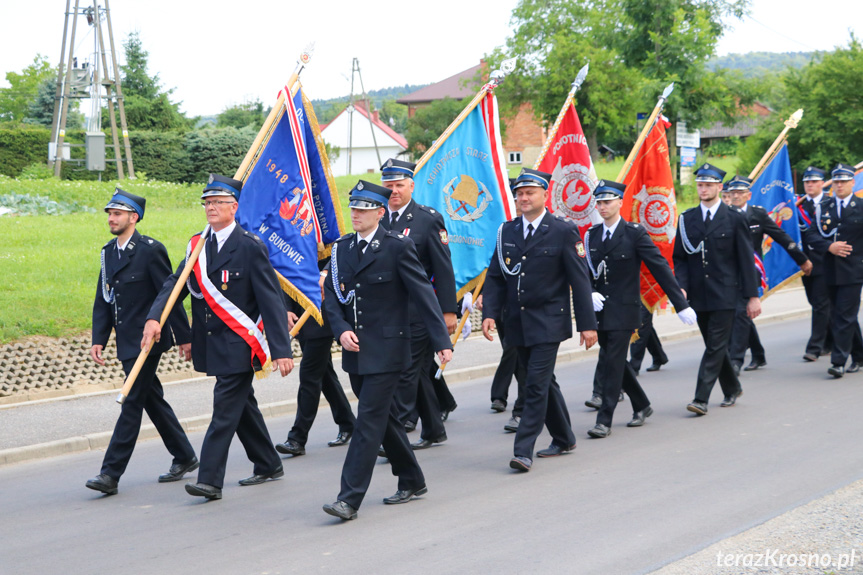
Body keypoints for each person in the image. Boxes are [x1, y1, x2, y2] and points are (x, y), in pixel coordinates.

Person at [142, 174, 294, 501]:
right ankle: (268, 463)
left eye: (218, 202)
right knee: (241, 406)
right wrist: (156, 317)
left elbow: (271, 300)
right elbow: (175, 285)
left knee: (224, 409)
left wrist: (282, 350)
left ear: (234, 207)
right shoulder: (199, 245)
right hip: (212, 342)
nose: (211, 208)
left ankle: (210, 480)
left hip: (241, 343)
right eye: (207, 203)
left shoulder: (251, 246)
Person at [321, 180, 453, 521]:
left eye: (364, 209)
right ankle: (412, 478)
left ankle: (348, 498)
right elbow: (333, 299)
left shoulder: (397, 247)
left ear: (380, 213)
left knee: (366, 422)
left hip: (390, 349)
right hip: (356, 351)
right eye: (354, 208)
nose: (357, 215)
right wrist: (341, 330)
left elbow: (423, 293)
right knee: (385, 419)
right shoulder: (341, 250)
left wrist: (441, 341)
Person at [482, 168, 598, 471]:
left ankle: (523, 450)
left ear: (544, 195)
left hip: (548, 321)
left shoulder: (562, 230)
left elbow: (580, 280)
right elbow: (495, 277)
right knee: (544, 382)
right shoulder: (506, 231)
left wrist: (588, 325)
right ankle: (564, 437)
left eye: (529, 192)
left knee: (533, 385)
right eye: (519, 193)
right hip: (516, 322)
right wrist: (490, 314)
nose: (523, 197)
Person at [85, 188, 198, 496]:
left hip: (150, 339)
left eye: (117, 214)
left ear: (133, 218)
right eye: (109, 213)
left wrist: (183, 337)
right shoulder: (108, 252)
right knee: (151, 398)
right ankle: (185, 455)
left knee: (132, 400)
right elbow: (104, 298)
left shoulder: (150, 250)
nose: (111, 218)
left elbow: (170, 296)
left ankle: (110, 474)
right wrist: (100, 338)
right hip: (125, 340)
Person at [583, 180, 695, 438]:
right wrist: (589, 292)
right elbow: (584, 271)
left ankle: (604, 420)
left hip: (625, 311)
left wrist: (680, 303)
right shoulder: (591, 235)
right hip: (600, 311)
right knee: (616, 361)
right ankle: (642, 404)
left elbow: (659, 267)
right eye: (598, 202)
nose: (602, 207)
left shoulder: (634, 233)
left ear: (620, 203)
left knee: (611, 362)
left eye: (607, 201)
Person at [378, 159, 458, 449]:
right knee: (421, 372)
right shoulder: (376, 216)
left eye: (400, 185)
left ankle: (394, 437)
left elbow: (443, 267)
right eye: (389, 185)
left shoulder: (427, 219)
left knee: (405, 372)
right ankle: (434, 429)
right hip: (388, 313)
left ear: (411, 186)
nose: (394, 191)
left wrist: (448, 310)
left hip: (419, 311)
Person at [673, 163, 760, 415]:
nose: (704, 189)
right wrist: (682, 287)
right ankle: (732, 387)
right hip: (699, 295)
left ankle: (700, 398)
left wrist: (752, 296)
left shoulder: (734, 218)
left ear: (719, 187)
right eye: (700, 184)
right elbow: (680, 258)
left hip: (726, 294)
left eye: (709, 185)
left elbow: (746, 259)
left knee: (714, 346)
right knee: (715, 345)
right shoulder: (687, 219)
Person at [726, 175, 812, 373]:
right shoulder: (724, 215)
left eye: (740, 192)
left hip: (751, 271)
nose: (736, 196)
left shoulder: (758, 214)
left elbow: (781, 237)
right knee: (738, 314)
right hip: (728, 273)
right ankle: (757, 353)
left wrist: (802, 259)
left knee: (740, 312)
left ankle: (735, 360)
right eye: (733, 192)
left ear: (749, 195)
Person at [274, 269, 356, 457]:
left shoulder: (332, 241)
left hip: (322, 310)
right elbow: (286, 273)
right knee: (324, 373)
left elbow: (337, 253)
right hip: (300, 309)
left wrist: (326, 272)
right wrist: (286, 308)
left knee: (309, 375)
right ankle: (348, 423)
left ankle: (297, 438)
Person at [804, 163, 863, 378]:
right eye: (836, 181)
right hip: (828, 270)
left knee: (844, 317)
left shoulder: (861, 206)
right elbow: (811, 235)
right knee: (842, 315)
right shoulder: (824, 207)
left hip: (854, 271)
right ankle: (859, 354)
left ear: (852, 183)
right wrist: (829, 246)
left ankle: (838, 361)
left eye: (844, 181)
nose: (840, 185)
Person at [797, 166, 834, 361]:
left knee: (820, 304)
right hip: (804, 264)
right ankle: (830, 340)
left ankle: (814, 347)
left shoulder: (831, 204)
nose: (810, 185)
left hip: (825, 263)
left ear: (822, 183)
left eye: (813, 181)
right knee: (816, 302)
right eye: (806, 182)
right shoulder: (797, 206)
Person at [628, 303, 669, 374]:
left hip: (647, 296)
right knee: (646, 327)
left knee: (639, 328)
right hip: (634, 298)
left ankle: (634, 366)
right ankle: (659, 357)